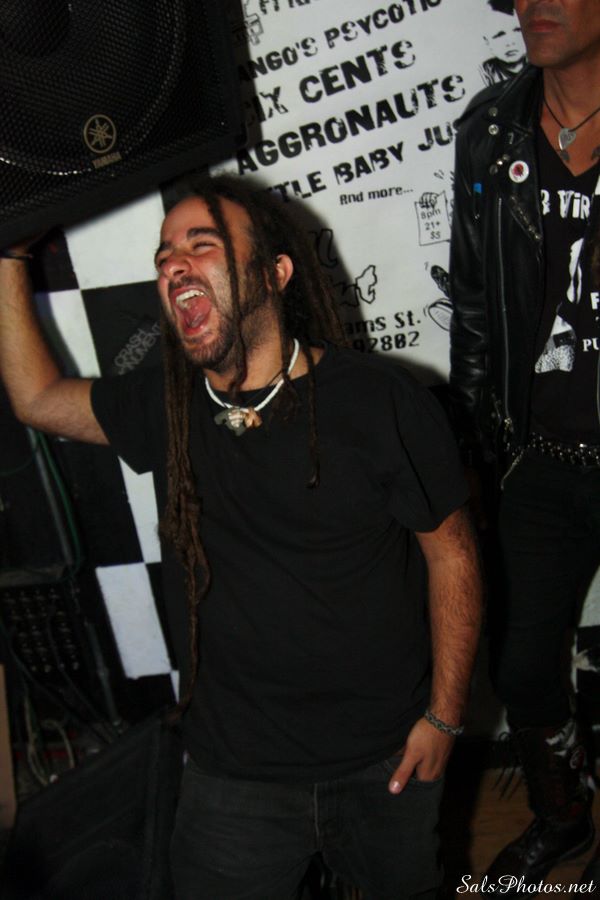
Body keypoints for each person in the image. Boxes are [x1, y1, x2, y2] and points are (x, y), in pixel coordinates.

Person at [0, 175, 482, 900]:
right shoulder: (168, 404)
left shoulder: (379, 400)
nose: (174, 266)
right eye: (164, 256)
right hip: (234, 777)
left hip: (385, 758)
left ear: (275, 273)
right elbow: (38, 398)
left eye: (202, 245)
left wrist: (445, 717)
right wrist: (9, 259)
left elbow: (454, 557)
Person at [449, 0, 600, 890]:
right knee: (520, 667)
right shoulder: (489, 134)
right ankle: (563, 816)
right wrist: (476, 459)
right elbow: (475, 308)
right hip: (537, 458)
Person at [479, 0, 526, 87]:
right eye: (499, 35)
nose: (510, 42)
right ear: (487, 42)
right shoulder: (483, 74)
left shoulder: (544, 68)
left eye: (517, 30)